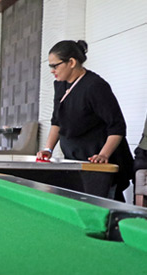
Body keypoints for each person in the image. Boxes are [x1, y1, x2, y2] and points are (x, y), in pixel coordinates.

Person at [36, 40, 134, 201]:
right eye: (50, 67)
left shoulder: (95, 86)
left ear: (72, 62)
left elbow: (117, 126)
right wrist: (48, 149)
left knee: (102, 208)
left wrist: (103, 155)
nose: (52, 71)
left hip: (98, 164)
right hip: (74, 161)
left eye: (55, 66)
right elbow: (57, 121)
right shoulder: (60, 85)